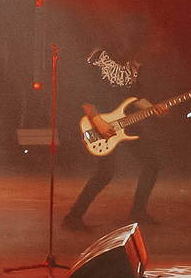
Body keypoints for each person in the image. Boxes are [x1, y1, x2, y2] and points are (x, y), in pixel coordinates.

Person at [65, 19, 162, 232]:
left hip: (124, 121)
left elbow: (135, 95)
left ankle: (138, 212)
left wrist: (153, 107)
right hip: (97, 120)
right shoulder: (99, 57)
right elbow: (84, 93)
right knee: (106, 173)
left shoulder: (133, 64)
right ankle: (73, 216)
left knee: (151, 163)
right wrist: (98, 122)